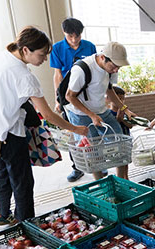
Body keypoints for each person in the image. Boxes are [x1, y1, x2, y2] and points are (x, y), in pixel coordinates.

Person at [0, 26, 88, 225]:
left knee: (1, 172)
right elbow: (48, 114)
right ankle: (26, 225)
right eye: (41, 55)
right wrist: (75, 129)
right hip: (10, 134)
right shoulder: (24, 76)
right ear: (25, 50)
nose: (44, 60)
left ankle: (1, 213)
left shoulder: (0, 58)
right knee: (23, 182)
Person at [64, 41, 134, 180]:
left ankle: (122, 181)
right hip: (80, 114)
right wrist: (91, 115)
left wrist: (125, 109)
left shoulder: (111, 70)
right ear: (103, 57)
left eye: (118, 67)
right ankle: (102, 184)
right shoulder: (82, 69)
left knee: (119, 143)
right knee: (92, 150)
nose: (116, 70)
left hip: (101, 110)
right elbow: (69, 96)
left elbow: (110, 90)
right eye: (114, 66)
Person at [50, 17, 96, 182]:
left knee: (91, 129)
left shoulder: (89, 46)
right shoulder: (57, 48)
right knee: (73, 130)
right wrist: (58, 99)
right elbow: (57, 75)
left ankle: (96, 164)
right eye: (70, 36)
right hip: (67, 95)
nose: (74, 40)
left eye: (77, 36)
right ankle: (77, 167)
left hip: (86, 94)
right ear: (64, 33)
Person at [105, 86, 132, 180]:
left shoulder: (125, 111)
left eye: (122, 99)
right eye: (118, 99)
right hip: (116, 141)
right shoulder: (108, 113)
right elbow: (109, 129)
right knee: (120, 161)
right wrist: (117, 120)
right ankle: (120, 179)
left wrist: (123, 120)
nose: (121, 101)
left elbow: (130, 125)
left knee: (126, 160)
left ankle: (126, 177)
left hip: (126, 138)